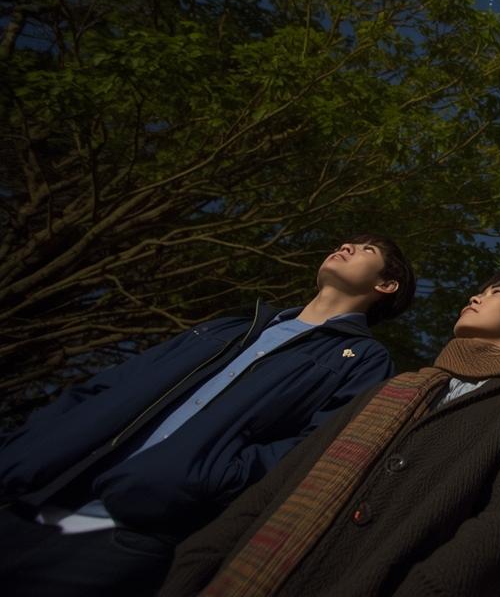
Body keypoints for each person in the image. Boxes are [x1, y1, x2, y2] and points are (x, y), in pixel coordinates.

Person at [0, 235, 414, 596]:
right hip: (31, 495)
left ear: (385, 284)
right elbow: (105, 387)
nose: (345, 246)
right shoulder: (230, 327)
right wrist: (26, 447)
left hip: (125, 536)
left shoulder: (362, 360)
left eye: (366, 248)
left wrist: (213, 477)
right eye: (347, 242)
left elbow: (314, 452)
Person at [160, 271, 500, 597]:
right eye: (478, 291)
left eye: (495, 292)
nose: (475, 297)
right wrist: (197, 559)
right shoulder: (393, 389)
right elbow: (287, 479)